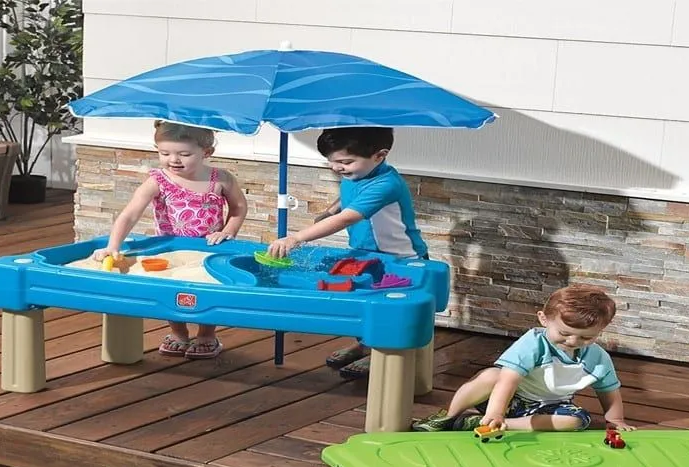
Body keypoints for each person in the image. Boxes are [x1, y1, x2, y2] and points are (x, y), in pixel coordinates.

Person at [267, 127, 428, 377]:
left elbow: (348, 217)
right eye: (331, 162)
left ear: (379, 155)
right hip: (366, 253)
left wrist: (297, 237)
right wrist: (330, 211)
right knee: (362, 301)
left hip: (400, 259)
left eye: (345, 162)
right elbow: (346, 200)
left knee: (384, 307)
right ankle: (365, 344)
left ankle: (381, 353)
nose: (337, 168)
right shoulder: (355, 174)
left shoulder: (386, 185)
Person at [93, 120, 248, 359]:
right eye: (164, 153)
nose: (173, 160)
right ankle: (178, 333)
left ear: (207, 152)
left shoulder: (220, 179)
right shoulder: (158, 181)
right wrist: (113, 246)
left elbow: (238, 208)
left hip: (209, 248)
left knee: (208, 289)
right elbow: (130, 214)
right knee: (171, 289)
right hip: (170, 248)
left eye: (184, 154)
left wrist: (228, 231)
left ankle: (207, 334)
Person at [412, 284, 636, 433]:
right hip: (505, 398)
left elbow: (609, 391)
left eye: (586, 337)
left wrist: (615, 420)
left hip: (549, 407)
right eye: (564, 333)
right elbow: (508, 380)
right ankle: (448, 416)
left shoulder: (597, 358)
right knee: (492, 375)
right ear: (544, 319)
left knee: (577, 421)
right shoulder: (534, 344)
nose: (573, 341)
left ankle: (487, 425)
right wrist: (495, 411)